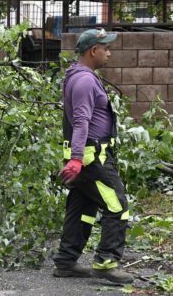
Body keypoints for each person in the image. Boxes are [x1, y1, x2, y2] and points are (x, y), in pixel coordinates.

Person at [52, 28, 133, 284]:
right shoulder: (85, 80)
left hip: (86, 156)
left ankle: (66, 261)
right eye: (106, 48)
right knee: (117, 207)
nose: (109, 53)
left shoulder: (78, 76)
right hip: (90, 158)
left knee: (82, 208)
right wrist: (77, 159)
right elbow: (81, 121)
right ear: (93, 51)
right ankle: (106, 263)